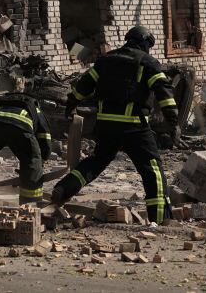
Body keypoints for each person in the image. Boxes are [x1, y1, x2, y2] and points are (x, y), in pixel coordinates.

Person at [51, 25, 179, 224]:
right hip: (134, 127)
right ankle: (160, 218)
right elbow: (164, 92)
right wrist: (173, 121)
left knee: (97, 161)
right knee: (152, 169)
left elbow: (84, 85)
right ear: (145, 43)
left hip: (106, 125)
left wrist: (72, 103)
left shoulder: (105, 60)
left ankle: (64, 188)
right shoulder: (148, 63)